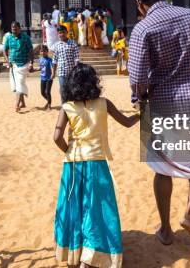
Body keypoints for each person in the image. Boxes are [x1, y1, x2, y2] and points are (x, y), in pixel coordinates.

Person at [128, 0, 190, 245]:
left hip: (163, 105)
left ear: (140, 3)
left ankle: (166, 229)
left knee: (162, 167)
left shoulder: (143, 29)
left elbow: (137, 75)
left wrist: (139, 96)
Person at [53, 63, 138, 267]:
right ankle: (91, 258)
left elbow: (57, 137)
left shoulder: (67, 107)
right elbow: (126, 122)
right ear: (93, 82)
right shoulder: (104, 103)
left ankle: (75, 253)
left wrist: (69, 150)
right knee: (97, 209)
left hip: (73, 164)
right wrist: (140, 114)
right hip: (97, 162)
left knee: (74, 207)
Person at [4, 21, 34, 112]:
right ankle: (23, 103)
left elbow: (31, 50)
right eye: (13, 29)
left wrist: (31, 63)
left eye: (16, 29)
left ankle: (16, 104)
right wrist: (7, 60)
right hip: (13, 65)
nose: (14, 31)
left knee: (20, 82)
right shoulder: (9, 38)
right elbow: (4, 50)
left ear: (19, 29)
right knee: (16, 84)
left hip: (23, 64)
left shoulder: (26, 38)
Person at [52, 25, 80, 103]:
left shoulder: (73, 43)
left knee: (72, 88)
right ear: (58, 34)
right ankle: (64, 106)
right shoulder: (56, 45)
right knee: (62, 89)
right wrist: (53, 72)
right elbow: (54, 60)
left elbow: (76, 57)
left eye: (63, 32)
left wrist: (76, 69)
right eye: (60, 33)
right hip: (61, 72)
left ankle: (73, 104)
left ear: (67, 32)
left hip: (71, 72)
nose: (62, 34)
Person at [39, 45, 53, 110]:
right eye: (41, 51)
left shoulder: (50, 60)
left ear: (47, 52)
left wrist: (53, 74)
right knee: (42, 92)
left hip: (49, 78)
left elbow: (52, 67)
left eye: (44, 51)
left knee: (47, 91)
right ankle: (48, 101)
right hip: (42, 78)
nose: (43, 53)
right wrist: (34, 70)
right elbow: (41, 68)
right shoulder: (40, 59)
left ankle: (49, 105)